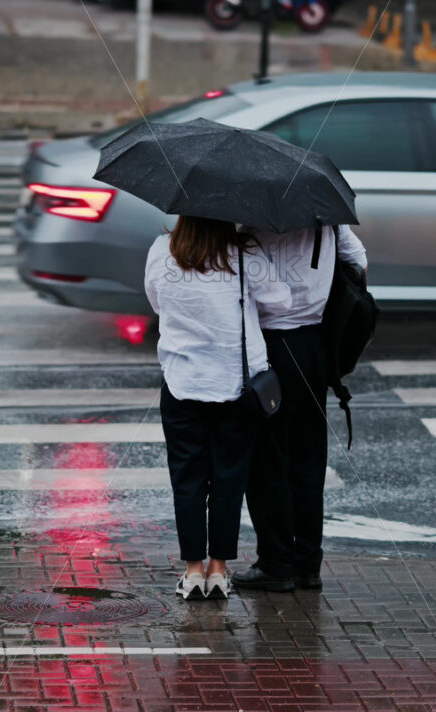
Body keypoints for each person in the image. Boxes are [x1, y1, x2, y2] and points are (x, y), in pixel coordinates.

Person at [144, 216, 292, 601]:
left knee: (187, 479)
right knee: (229, 479)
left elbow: (156, 302)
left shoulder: (163, 250)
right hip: (236, 386)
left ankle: (193, 572)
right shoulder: (244, 254)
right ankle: (219, 570)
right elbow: (281, 300)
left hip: (182, 383)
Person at [232, 224, 367, 593]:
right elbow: (358, 261)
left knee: (267, 461)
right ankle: (308, 565)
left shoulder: (253, 222)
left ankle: (276, 563)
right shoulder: (325, 217)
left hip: (270, 349)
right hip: (314, 346)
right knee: (308, 459)